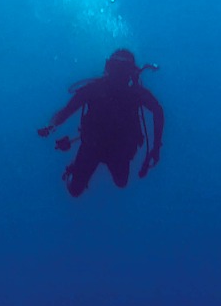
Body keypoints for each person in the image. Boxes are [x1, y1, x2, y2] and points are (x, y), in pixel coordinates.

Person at [38, 49, 165, 198]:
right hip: (94, 145)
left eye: (122, 70)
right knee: (75, 190)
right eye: (117, 68)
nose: (119, 74)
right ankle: (74, 168)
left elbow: (158, 111)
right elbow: (67, 110)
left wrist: (156, 147)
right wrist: (50, 126)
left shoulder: (132, 93)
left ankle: (76, 168)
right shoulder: (99, 89)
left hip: (117, 148)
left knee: (121, 182)